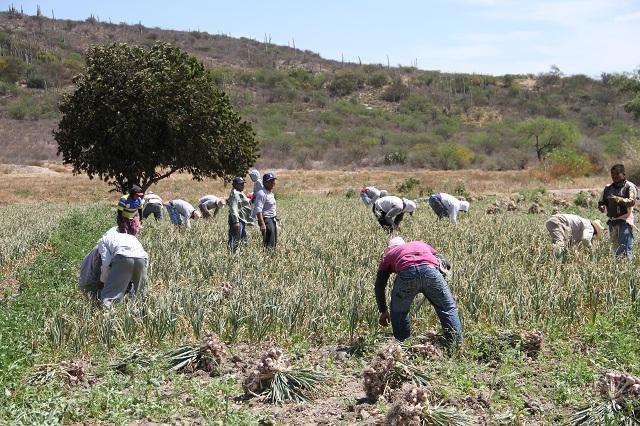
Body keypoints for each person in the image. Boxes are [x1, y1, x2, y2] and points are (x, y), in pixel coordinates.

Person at [374, 237, 462, 343]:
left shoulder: (389, 255)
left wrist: (383, 311)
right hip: (431, 271)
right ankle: (455, 344)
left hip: (406, 274)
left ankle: (403, 345)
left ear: (389, 248)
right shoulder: (420, 244)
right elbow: (446, 263)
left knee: (399, 312)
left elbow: (379, 285)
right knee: (447, 308)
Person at [79, 227, 149, 308]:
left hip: (122, 257)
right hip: (141, 259)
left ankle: (107, 317)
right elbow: (145, 257)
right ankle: (141, 314)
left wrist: (104, 281)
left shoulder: (103, 240)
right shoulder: (132, 238)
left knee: (109, 299)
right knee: (141, 296)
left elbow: (106, 263)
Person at [598, 164, 638, 258]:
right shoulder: (608, 188)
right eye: (612, 174)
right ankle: (618, 268)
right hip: (612, 221)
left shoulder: (629, 186)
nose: (614, 176)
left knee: (625, 247)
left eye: (617, 174)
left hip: (625, 220)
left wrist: (618, 199)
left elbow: (632, 202)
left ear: (623, 174)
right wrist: (602, 206)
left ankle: (627, 268)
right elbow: (601, 202)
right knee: (615, 249)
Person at [227, 176, 252, 252]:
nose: (243, 185)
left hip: (241, 219)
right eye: (241, 184)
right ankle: (231, 253)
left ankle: (243, 252)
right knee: (235, 238)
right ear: (235, 184)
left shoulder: (238, 192)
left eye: (243, 184)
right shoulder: (235, 193)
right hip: (238, 220)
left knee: (243, 237)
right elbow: (233, 208)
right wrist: (236, 221)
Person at [254, 172, 278, 249]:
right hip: (266, 219)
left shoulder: (270, 193)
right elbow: (258, 210)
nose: (273, 183)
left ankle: (272, 256)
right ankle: (268, 255)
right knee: (269, 241)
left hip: (272, 218)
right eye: (270, 181)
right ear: (264, 182)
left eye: (273, 180)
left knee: (273, 240)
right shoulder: (261, 193)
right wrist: (262, 224)